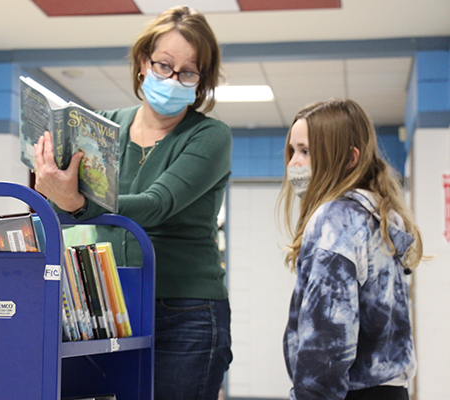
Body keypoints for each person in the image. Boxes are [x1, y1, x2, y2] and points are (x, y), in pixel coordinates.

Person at [33, 6, 233, 400]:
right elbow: (67, 210)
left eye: (188, 72)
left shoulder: (211, 136)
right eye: (164, 65)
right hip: (112, 299)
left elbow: (156, 204)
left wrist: (75, 201)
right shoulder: (103, 126)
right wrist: (50, 187)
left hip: (187, 311)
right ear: (143, 63)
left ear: (201, 81)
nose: (173, 80)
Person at [277, 99, 424, 400]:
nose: (293, 163)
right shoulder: (377, 214)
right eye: (292, 151)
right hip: (393, 390)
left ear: (349, 158)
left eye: (305, 151)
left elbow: (327, 344)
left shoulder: (334, 220)